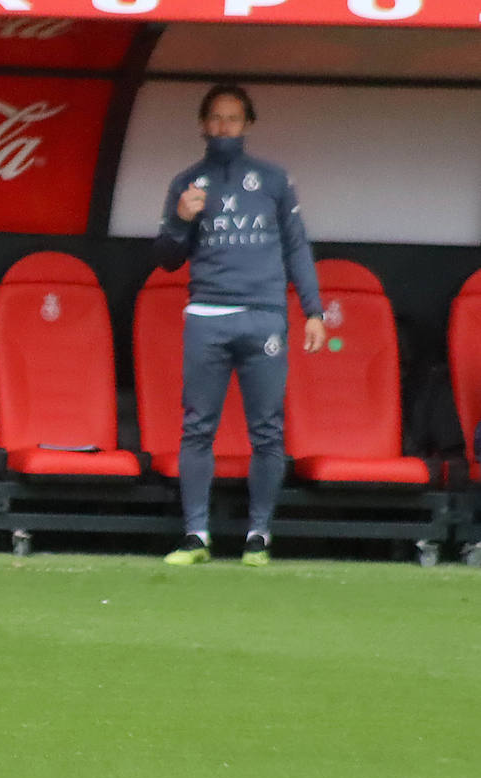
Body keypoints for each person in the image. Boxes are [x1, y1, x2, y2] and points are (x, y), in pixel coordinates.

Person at [155, 84, 326, 568]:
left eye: (232, 118)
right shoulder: (187, 183)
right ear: (202, 124)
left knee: (268, 430)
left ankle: (259, 535)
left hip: (264, 316)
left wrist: (313, 310)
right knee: (197, 428)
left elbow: (296, 245)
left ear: (247, 123)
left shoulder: (272, 180)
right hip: (207, 315)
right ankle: (195, 536)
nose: (223, 127)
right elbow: (167, 259)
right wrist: (180, 219)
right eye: (215, 118)